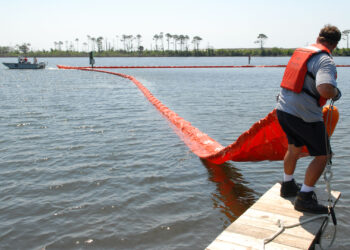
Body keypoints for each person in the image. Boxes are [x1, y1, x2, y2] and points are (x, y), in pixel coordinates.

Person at [276, 24, 342, 214]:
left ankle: (287, 185)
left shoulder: (302, 53)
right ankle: (305, 198)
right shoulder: (325, 60)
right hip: (304, 115)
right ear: (335, 45)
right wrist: (336, 94)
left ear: (319, 38)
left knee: (294, 147)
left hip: (283, 110)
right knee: (324, 156)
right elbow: (324, 89)